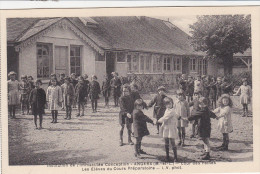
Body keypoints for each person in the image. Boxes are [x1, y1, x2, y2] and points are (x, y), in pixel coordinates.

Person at [157, 97, 178, 162]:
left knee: (172, 142)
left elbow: (165, 118)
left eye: (170, 104)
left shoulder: (172, 111)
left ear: (172, 103)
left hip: (171, 127)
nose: (168, 105)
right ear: (165, 105)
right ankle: (167, 156)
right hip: (166, 127)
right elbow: (164, 116)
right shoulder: (167, 109)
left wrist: (157, 121)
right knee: (166, 142)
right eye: (167, 104)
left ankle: (175, 157)